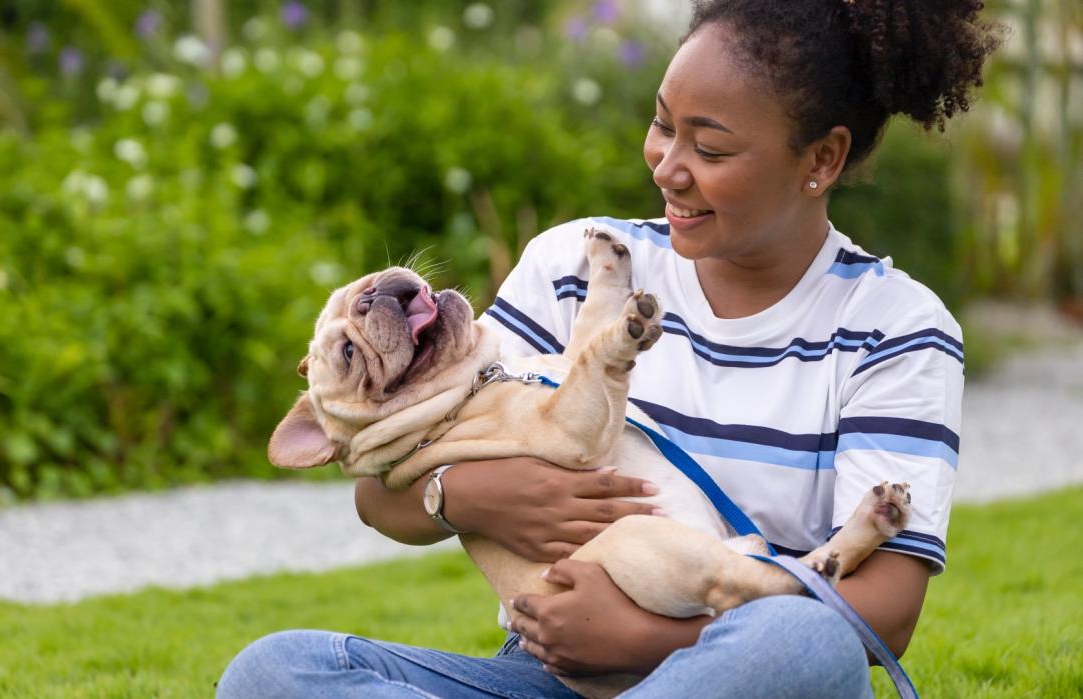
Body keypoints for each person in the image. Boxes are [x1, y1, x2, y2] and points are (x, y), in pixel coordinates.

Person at [217, 1, 1003, 696]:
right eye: (663, 124)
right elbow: (380, 494)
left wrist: (641, 640)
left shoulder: (894, 327)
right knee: (272, 671)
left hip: (738, 666)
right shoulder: (579, 263)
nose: (668, 164)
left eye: (712, 148)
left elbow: (886, 614)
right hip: (552, 673)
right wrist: (467, 496)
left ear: (821, 161)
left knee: (804, 643)